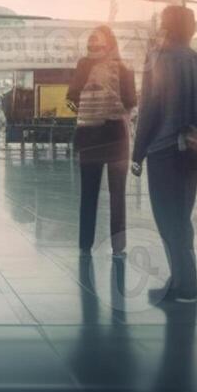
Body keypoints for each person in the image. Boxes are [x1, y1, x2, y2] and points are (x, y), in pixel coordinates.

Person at [130, 6, 197, 306]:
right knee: (182, 217)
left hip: (163, 151)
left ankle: (187, 288)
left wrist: (138, 152)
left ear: (166, 28)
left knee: (169, 221)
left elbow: (149, 111)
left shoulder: (157, 60)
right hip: (193, 152)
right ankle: (178, 282)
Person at [69, 25, 137, 256]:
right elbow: (131, 102)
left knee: (89, 193)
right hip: (116, 135)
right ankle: (118, 247)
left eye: (95, 43)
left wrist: (88, 110)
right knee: (117, 195)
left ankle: (85, 244)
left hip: (90, 135)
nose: (93, 48)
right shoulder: (125, 68)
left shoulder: (83, 65)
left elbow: (71, 97)